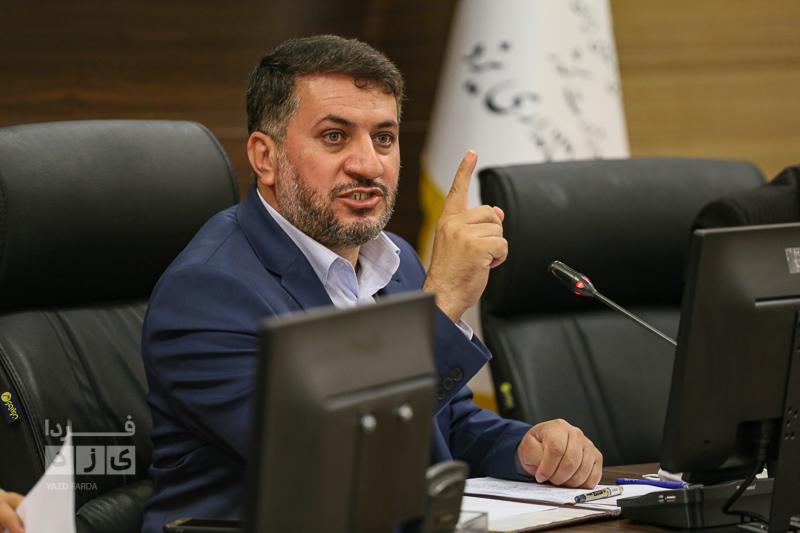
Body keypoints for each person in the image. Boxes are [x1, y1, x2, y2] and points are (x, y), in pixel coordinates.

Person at [141, 35, 602, 533]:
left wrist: (524, 448)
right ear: (266, 158)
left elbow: (443, 421)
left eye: (383, 138)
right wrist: (443, 303)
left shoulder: (394, 258)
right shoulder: (207, 291)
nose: (368, 165)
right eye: (334, 136)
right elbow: (326, 456)